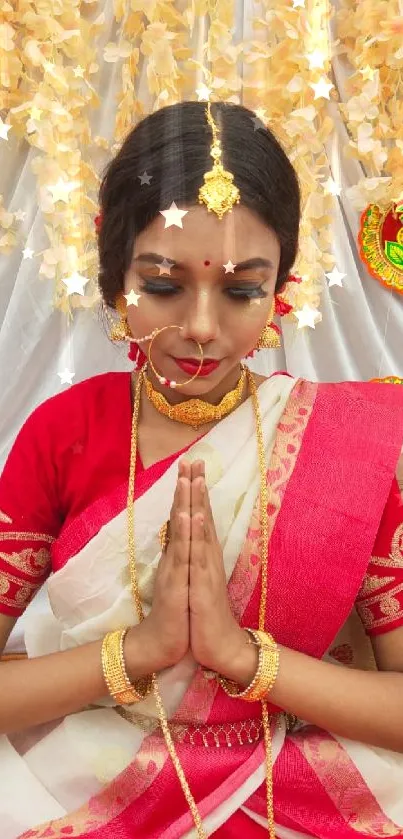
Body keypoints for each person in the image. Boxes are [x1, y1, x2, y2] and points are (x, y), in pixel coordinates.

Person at [0, 99, 403, 839]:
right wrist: (137, 652)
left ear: (281, 282)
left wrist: (242, 656)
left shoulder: (347, 442)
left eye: (243, 289)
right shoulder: (65, 433)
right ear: (112, 270)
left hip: (302, 782)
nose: (201, 327)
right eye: (162, 284)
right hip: (91, 779)